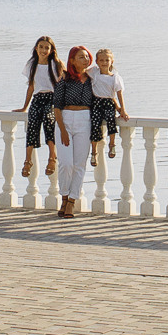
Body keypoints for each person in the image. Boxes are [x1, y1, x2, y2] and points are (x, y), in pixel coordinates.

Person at [51, 45, 99, 218]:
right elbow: (56, 107)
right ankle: (64, 196)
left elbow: (111, 83)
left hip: (84, 121)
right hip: (65, 119)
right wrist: (62, 129)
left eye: (87, 56)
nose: (85, 59)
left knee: (79, 165)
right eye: (81, 57)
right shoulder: (64, 79)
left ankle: (71, 201)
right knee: (65, 164)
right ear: (72, 60)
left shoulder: (94, 78)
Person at [15, 35, 61, 179]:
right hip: (37, 98)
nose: (43, 50)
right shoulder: (32, 65)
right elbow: (31, 87)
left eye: (46, 47)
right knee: (32, 124)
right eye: (41, 47)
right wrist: (24, 107)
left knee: (49, 121)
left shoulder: (55, 65)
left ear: (51, 50)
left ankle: (52, 158)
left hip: (51, 99)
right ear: (36, 48)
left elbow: (61, 86)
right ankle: (27, 160)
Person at [89, 48, 128, 166]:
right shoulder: (94, 72)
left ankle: (112, 144)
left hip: (109, 103)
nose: (104, 62)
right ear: (97, 61)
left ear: (112, 61)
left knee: (111, 121)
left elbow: (119, 94)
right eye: (101, 60)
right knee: (95, 124)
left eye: (107, 60)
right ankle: (94, 152)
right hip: (96, 102)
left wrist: (122, 109)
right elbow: (82, 70)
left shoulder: (115, 77)